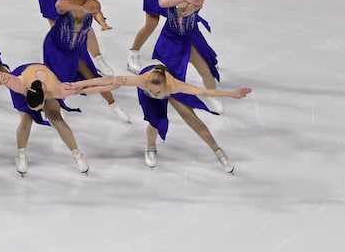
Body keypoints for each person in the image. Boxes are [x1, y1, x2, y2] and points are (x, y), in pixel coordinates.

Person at [76, 67, 251, 173]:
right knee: (155, 121)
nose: (154, 93)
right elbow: (108, 80)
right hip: (147, 89)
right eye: (152, 90)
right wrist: (80, 85)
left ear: (165, 87)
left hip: (169, 85)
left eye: (157, 92)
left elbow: (204, 92)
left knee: (192, 118)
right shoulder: (143, 82)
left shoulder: (174, 85)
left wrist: (231, 94)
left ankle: (218, 151)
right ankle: (151, 147)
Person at [43, 0, 133, 124]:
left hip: (75, 49)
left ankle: (114, 105)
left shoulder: (94, 4)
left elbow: (97, 13)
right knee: (61, 78)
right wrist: (83, 8)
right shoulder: (64, 1)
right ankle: (56, 107)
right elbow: (59, 7)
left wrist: (103, 24)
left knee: (93, 78)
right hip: (56, 47)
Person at [0, 64, 91, 175]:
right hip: (24, 79)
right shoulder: (18, 86)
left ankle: (76, 153)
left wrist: (111, 83)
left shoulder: (54, 88)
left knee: (56, 117)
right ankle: (21, 153)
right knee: (26, 119)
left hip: (42, 80)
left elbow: (91, 87)